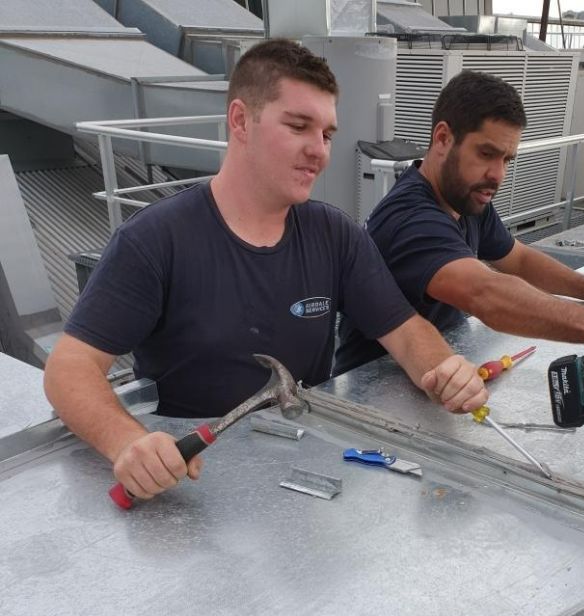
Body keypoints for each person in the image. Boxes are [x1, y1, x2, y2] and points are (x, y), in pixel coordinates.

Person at [43, 40, 486, 502]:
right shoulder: (156, 240)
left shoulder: (334, 234)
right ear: (240, 121)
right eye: (299, 126)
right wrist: (129, 442)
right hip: (193, 482)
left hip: (309, 471)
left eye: (327, 134)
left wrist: (443, 369)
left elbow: (406, 331)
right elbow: (69, 368)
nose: (319, 151)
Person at [334, 70, 584, 402]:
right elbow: (486, 294)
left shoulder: (464, 195)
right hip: (375, 392)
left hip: (442, 376)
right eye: (486, 154)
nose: (497, 175)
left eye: (506, 159)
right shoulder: (410, 219)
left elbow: (520, 259)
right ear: (442, 139)